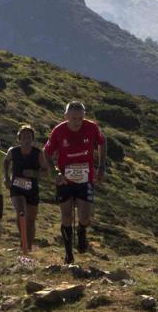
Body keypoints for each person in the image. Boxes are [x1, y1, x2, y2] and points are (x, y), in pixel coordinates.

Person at [44, 101, 106, 264]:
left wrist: (102, 165)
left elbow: (102, 141)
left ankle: (82, 230)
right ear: (66, 116)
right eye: (73, 118)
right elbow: (46, 153)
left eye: (80, 118)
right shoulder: (58, 131)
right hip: (65, 179)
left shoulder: (91, 127)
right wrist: (55, 172)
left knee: (85, 217)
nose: (77, 122)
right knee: (66, 216)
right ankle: (68, 253)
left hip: (85, 178)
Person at [3, 124, 50, 252]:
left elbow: (46, 172)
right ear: (19, 139)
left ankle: (28, 247)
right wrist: (6, 178)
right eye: (23, 137)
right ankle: (23, 241)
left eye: (29, 137)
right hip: (16, 187)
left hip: (32, 189)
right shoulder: (13, 151)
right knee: (21, 211)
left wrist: (34, 173)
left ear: (32, 139)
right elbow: (6, 162)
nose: (26, 140)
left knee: (31, 220)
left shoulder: (38, 153)